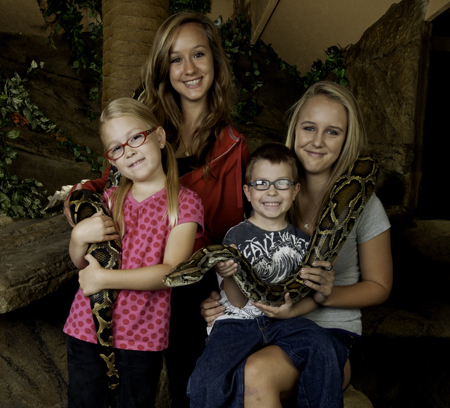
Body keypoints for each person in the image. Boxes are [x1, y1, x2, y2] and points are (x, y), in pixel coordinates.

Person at [62, 12, 249, 407]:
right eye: (176, 58)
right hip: (131, 278)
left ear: (215, 59)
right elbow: (102, 188)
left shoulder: (232, 145)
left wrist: (218, 293)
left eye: (198, 54)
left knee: (184, 374)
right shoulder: (142, 129)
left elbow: (231, 234)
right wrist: (80, 218)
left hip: (189, 278)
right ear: (164, 68)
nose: (189, 69)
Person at [201, 81, 393, 407]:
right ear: (295, 129)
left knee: (256, 375)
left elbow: (380, 286)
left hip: (332, 333)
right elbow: (247, 269)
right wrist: (221, 303)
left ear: (347, 139)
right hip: (262, 328)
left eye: (332, 132)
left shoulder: (364, 202)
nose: (317, 141)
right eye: (309, 127)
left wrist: (325, 293)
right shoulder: (269, 195)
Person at [64, 97, 204, 407]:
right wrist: (78, 236)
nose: (128, 151)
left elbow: (172, 272)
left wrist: (105, 279)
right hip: (85, 328)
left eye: (136, 137)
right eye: (116, 147)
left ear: (160, 137)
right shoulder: (108, 200)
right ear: (112, 162)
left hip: (142, 337)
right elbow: (82, 264)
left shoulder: (185, 203)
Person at [188, 143, 348, 408]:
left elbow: (312, 297)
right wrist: (230, 274)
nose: (272, 191)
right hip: (238, 324)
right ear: (248, 192)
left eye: (282, 183)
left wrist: (317, 294)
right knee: (206, 379)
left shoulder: (306, 243)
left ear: (295, 190)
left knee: (323, 346)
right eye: (261, 183)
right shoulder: (235, 236)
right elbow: (238, 302)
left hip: (285, 323)